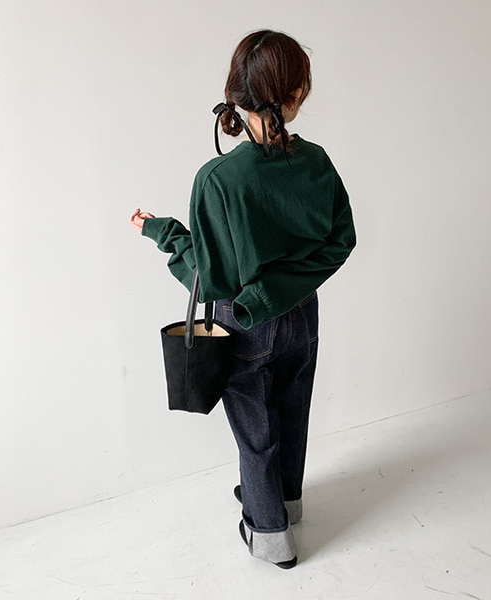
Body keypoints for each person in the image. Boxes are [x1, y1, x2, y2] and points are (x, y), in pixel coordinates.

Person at [129, 29, 356, 569]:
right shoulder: (317, 162)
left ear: (237, 94)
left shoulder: (218, 179)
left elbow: (212, 279)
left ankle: (270, 533)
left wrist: (162, 232)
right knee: (293, 414)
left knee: (257, 433)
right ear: (293, 96)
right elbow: (340, 242)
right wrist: (282, 287)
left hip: (245, 324)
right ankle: (288, 503)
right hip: (302, 314)